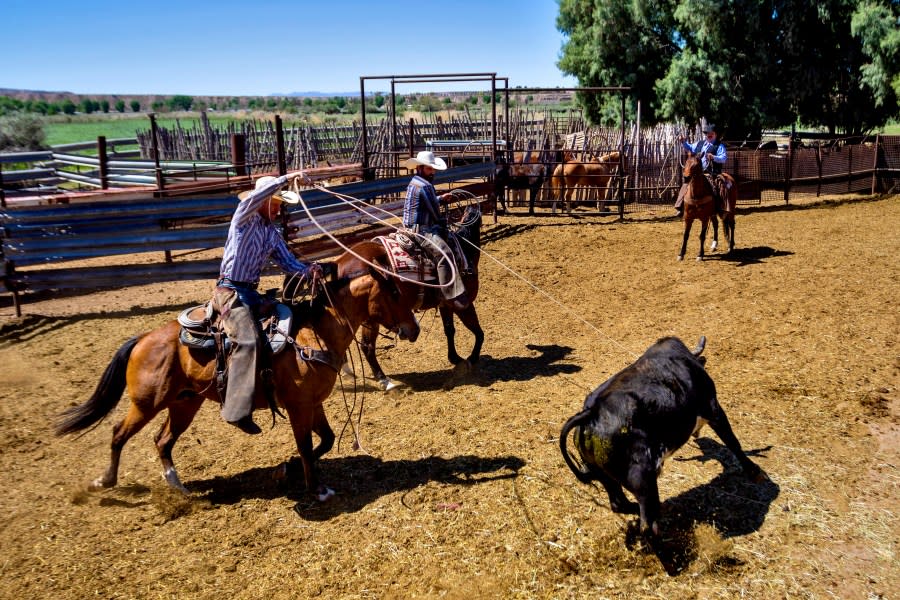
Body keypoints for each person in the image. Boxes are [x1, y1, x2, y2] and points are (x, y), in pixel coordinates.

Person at [214, 174, 323, 435]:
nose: (277, 208)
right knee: (248, 340)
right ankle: (237, 410)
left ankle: (279, 384)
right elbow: (256, 197)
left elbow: (288, 263)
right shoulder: (244, 218)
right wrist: (290, 177)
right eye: (273, 202)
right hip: (229, 291)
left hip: (250, 293)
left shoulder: (270, 233)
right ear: (261, 202)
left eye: (279, 204)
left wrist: (310, 270)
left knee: (291, 321)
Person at [402, 151, 469, 311]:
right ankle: (449, 294)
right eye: (429, 169)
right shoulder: (426, 186)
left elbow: (428, 203)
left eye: (433, 169)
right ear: (419, 168)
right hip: (421, 230)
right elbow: (436, 214)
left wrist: (439, 199)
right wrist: (445, 224)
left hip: (409, 227)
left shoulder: (415, 182)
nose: (432, 172)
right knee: (444, 254)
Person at [675, 123, 727, 215]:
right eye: (707, 133)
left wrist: (713, 157)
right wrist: (683, 142)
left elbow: (723, 158)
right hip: (698, 173)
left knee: (718, 187)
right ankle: (680, 206)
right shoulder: (700, 144)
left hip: (712, 172)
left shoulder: (719, 146)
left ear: (715, 134)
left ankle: (720, 207)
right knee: (687, 183)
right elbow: (690, 147)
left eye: (711, 133)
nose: (709, 134)